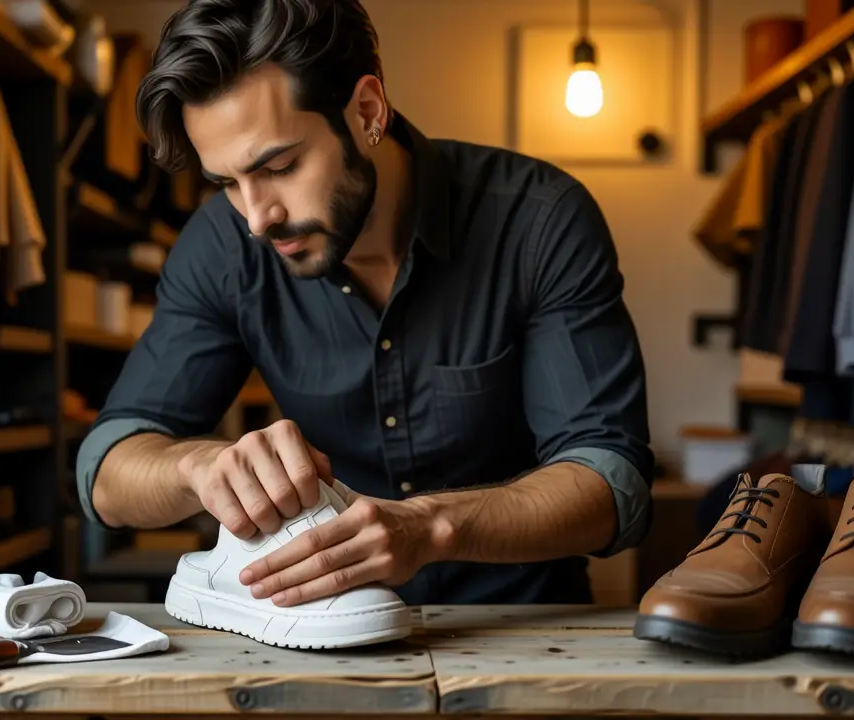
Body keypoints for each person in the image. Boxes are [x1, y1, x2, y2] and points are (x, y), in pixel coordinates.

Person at [76, 0, 654, 607]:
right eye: (226, 183)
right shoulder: (222, 247)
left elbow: (614, 483)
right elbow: (106, 472)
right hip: (326, 628)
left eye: (280, 166)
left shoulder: (540, 221)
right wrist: (196, 466)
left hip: (527, 626)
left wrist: (429, 527)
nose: (256, 219)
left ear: (367, 111)